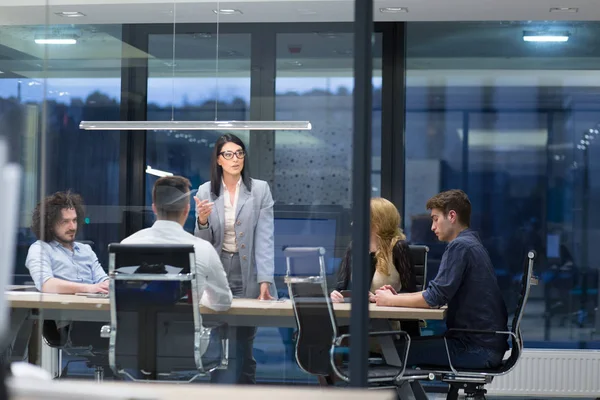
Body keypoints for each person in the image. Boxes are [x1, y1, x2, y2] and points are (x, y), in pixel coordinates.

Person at [374, 189, 509, 369]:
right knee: (397, 349)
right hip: (481, 345)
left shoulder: (460, 247)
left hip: (474, 349)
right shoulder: (470, 243)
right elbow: (436, 293)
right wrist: (394, 298)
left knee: (392, 352)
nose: (432, 227)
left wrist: (391, 301)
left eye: (435, 219)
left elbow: (434, 298)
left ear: (452, 216)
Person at [194, 133, 276, 384]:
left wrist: (265, 280)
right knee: (218, 341)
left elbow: (265, 238)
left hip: (247, 271)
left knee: (243, 341)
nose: (235, 159)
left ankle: (244, 391)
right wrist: (203, 220)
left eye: (239, 153)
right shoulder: (205, 191)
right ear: (218, 160)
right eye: (228, 154)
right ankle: (220, 391)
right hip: (217, 272)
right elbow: (201, 243)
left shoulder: (259, 190)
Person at [121, 175, 233, 312]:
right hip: (184, 332)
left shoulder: (127, 246)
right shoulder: (202, 249)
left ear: (154, 208)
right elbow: (222, 303)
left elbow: (119, 292)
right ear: (186, 210)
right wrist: (199, 296)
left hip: (132, 333)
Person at [330, 197, 417, 303]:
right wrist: (336, 295)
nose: (353, 223)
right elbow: (341, 286)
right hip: (357, 315)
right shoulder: (354, 247)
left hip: (388, 316)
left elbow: (411, 292)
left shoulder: (398, 247)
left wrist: (380, 298)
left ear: (377, 221)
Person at [25, 191, 108, 294]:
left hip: (94, 306)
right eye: (65, 222)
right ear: (50, 225)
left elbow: (102, 280)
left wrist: (109, 284)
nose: (73, 227)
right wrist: (89, 288)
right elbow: (46, 285)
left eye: (74, 220)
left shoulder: (86, 249)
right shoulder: (40, 249)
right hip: (62, 308)